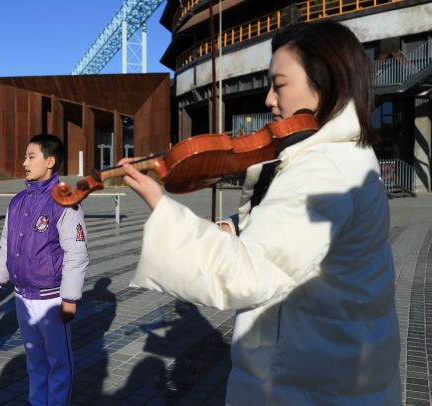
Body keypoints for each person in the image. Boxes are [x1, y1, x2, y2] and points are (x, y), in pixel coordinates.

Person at [120, 21, 400, 405]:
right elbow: (296, 243)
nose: (269, 99)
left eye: (279, 84)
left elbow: (247, 275)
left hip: (308, 386)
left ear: (325, 83)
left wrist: (160, 204)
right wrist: (234, 228)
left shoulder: (324, 169)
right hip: (330, 372)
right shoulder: (341, 155)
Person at [0, 133, 89, 406]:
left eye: (31, 157)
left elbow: (76, 253)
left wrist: (69, 298)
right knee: (35, 360)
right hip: (22, 295)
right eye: (25, 156)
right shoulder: (18, 201)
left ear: (50, 161)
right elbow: (6, 245)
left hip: (52, 298)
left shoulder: (64, 200)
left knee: (58, 361)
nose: (24, 162)